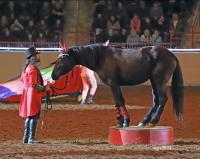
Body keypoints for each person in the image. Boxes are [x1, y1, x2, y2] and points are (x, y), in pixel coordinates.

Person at [19, 47, 49, 144]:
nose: (38, 56)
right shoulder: (32, 69)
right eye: (37, 55)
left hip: (28, 93)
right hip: (32, 94)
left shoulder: (26, 69)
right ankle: (31, 138)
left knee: (30, 116)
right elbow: (34, 84)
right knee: (34, 116)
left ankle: (26, 138)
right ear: (32, 57)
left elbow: (25, 81)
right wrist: (44, 88)